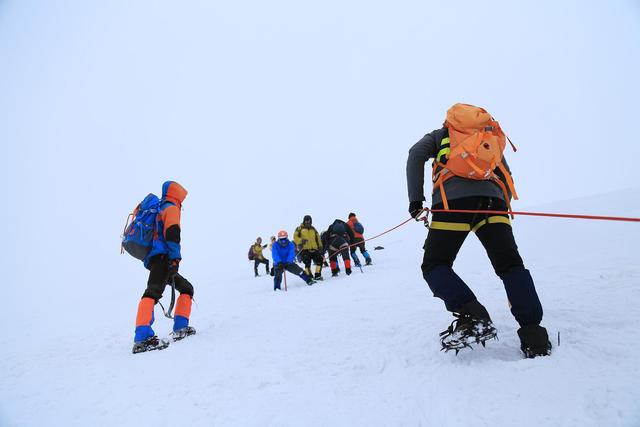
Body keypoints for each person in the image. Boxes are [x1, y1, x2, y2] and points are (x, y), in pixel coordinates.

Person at [406, 103, 551, 358]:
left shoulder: (441, 135)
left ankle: (473, 314)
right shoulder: (489, 137)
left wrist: (416, 201)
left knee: (435, 264)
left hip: (453, 205)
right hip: (493, 204)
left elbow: (415, 154)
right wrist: (503, 207)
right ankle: (534, 336)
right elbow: (505, 172)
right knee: (510, 266)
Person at [133, 181, 196, 354]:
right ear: (177, 193)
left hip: (156, 258)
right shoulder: (171, 206)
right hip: (163, 259)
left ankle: (180, 327)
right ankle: (142, 337)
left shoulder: (161, 206)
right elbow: (173, 233)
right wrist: (175, 258)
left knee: (186, 288)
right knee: (152, 292)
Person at [293, 215, 324, 281]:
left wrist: (320, 246)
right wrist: (301, 241)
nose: (307, 222)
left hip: (314, 248)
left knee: (320, 260)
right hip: (305, 249)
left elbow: (318, 238)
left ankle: (318, 275)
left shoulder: (313, 229)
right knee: (307, 263)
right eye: (306, 221)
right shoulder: (299, 228)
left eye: (309, 221)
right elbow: (295, 237)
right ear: (304, 221)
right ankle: (309, 276)